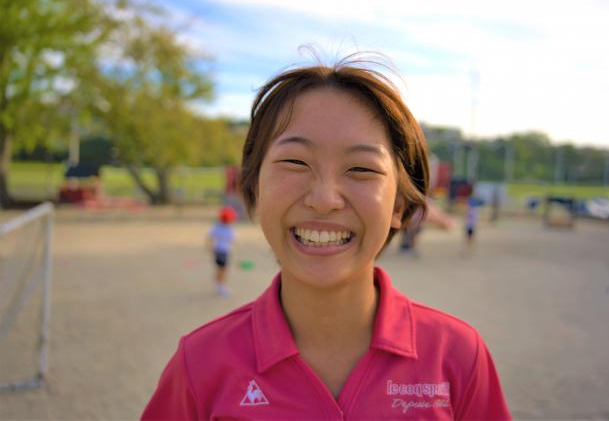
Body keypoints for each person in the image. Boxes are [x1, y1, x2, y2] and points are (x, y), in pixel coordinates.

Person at [142, 54, 511, 420]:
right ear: (254, 190)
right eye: (295, 162)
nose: (324, 199)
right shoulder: (200, 365)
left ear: (398, 206)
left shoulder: (457, 357)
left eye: (361, 168)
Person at [206, 205, 237, 297]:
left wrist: (211, 249)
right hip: (222, 251)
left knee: (221, 269)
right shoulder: (228, 229)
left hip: (220, 251)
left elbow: (210, 238)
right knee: (223, 269)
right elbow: (232, 239)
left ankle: (219, 284)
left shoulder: (217, 227)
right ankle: (221, 286)